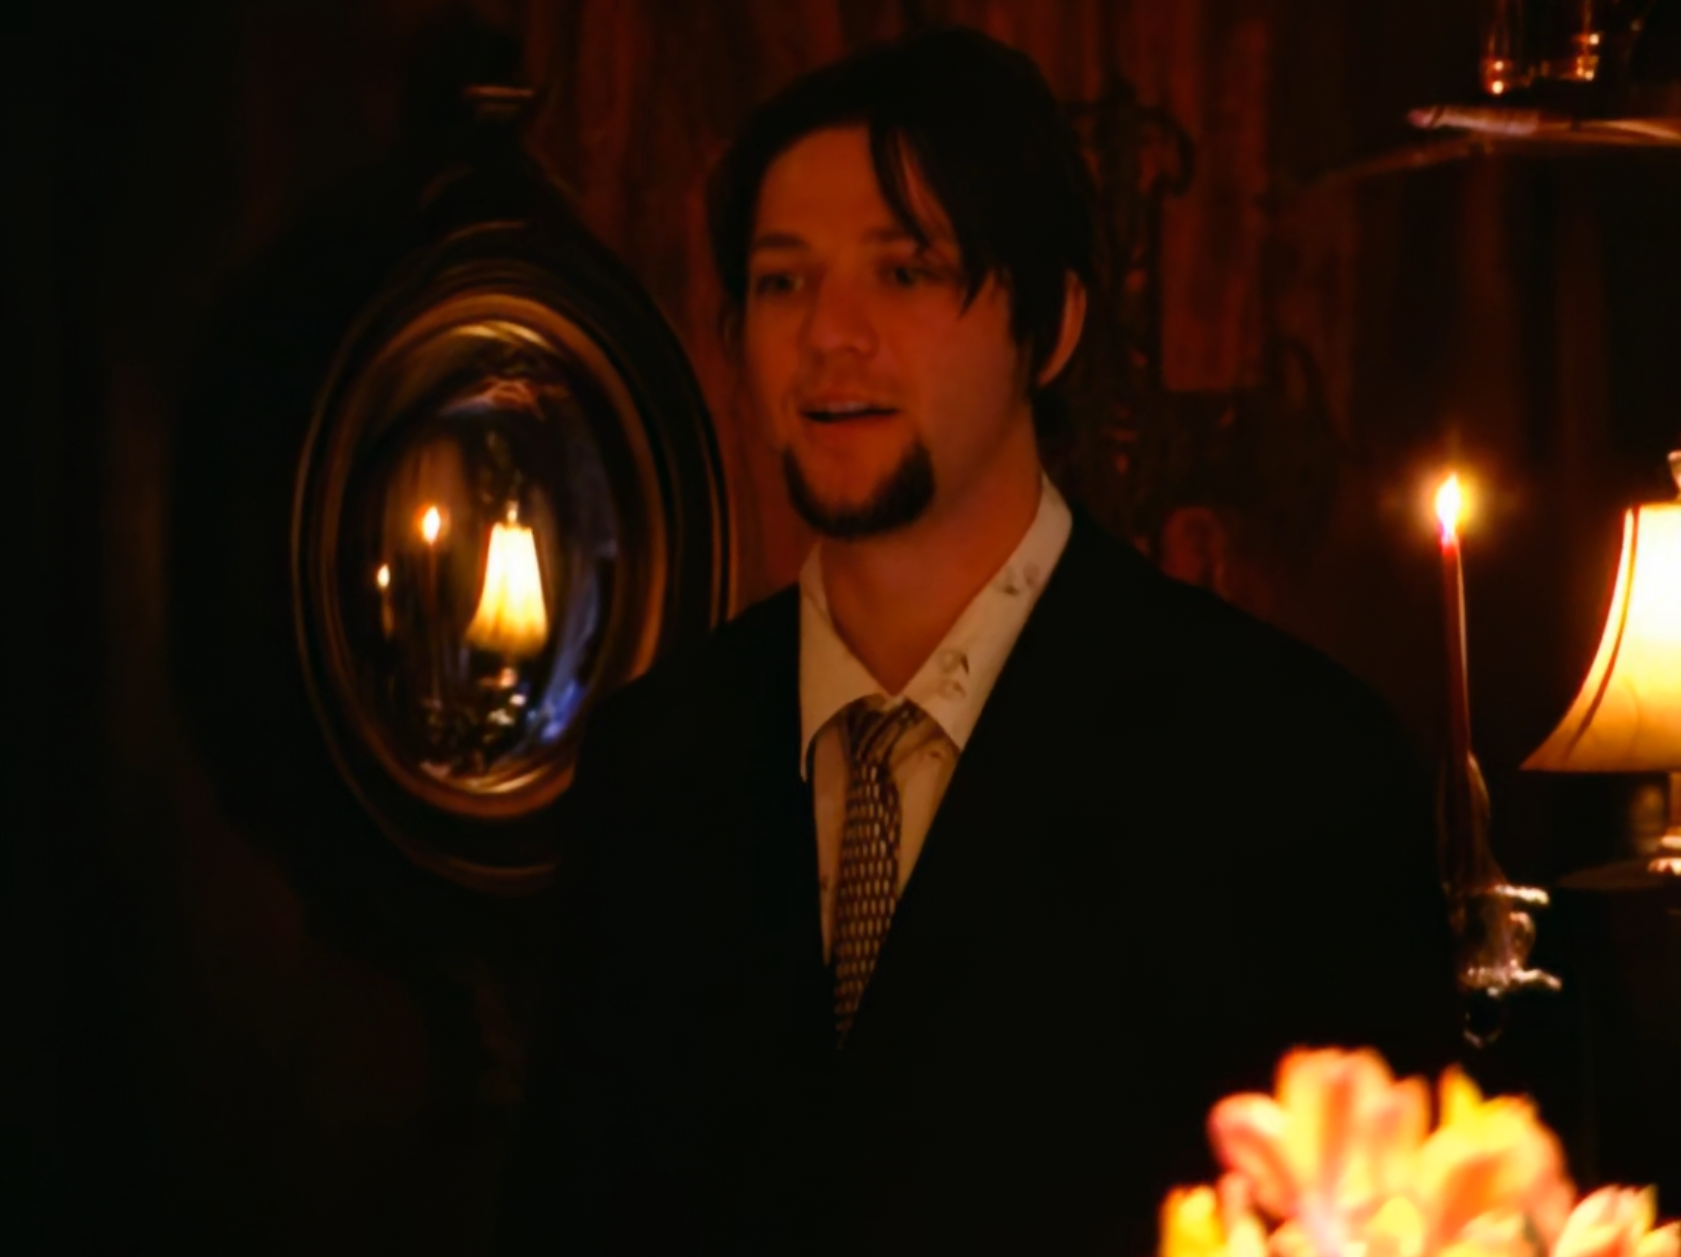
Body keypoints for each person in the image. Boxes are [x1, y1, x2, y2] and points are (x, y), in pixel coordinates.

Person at [498, 26, 1458, 1256]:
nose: (830, 334)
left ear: (1048, 327)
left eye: (904, 273)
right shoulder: (654, 761)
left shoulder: (1287, 764)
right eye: (783, 282)